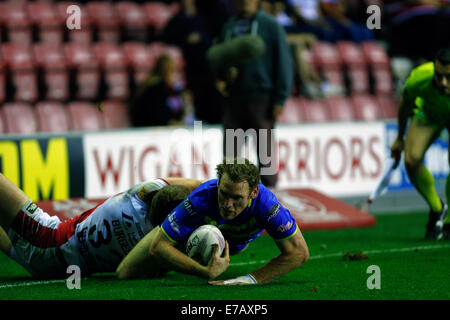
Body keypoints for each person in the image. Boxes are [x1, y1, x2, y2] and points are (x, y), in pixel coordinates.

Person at [118, 158, 309, 285]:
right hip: (192, 230)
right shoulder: (201, 197)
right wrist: (203, 271)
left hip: (234, 244)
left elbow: (299, 252)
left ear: (253, 193)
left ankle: (170, 262)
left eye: (236, 198)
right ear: (218, 183)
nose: (228, 204)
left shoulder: (266, 205)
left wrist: (250, 279)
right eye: (224, 194)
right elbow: (158, 246)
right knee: (124, 272)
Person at [0, 173, 203, 279]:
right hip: (56, 271)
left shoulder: (136, 198)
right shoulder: (152, 250)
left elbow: (195, 185)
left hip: (46, 238)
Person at [216, 0, 294, 188]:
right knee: (231, 157)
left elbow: (284, 62)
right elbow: (221, 57)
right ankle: (229, 202)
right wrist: (223, 75)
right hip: (235, 98)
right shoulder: (229, 26)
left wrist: (280, 98)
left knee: (265, 158)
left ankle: (270, 207)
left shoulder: (270, 25)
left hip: (261, 98)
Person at [390, 47, 450, 240]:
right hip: (429, 114)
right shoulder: (420, 78)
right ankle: (437, 208)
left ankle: (449, 222)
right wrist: (399, 138)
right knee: (412, 160)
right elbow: (405, 104)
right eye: (438, 76)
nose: (442, 83)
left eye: (448, 77)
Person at [129, 54, 189, 127]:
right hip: (150, 129)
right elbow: (156, 114)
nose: (173, 73)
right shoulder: (155, 88)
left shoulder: (169, 89)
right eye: (171, 70)